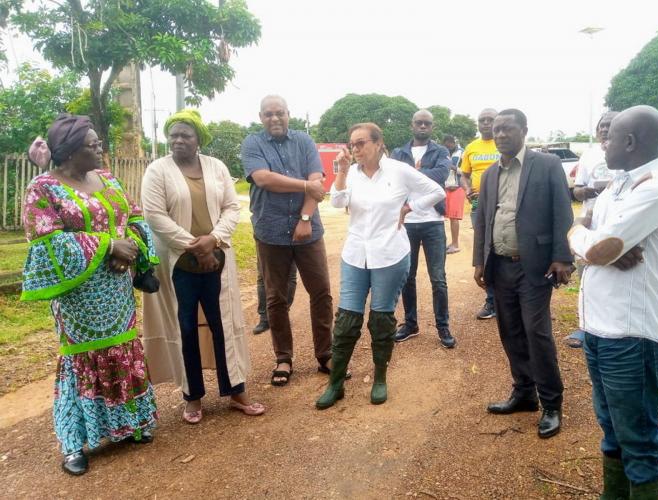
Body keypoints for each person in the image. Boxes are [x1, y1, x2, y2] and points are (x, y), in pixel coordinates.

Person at [22, 114, 158, 475]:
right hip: (77, 295)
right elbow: (46, 242)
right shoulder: (43, 188)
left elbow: (135, 216)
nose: (99, 147)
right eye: (92, 144)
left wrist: (131, 245)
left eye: (99, 142)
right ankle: (73, 443)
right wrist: (107, 246)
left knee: (123, 349)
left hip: (116, 289)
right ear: (68, 151)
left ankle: (131, 424)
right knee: (79, 359)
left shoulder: (109, 180)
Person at [568, 105, 658, 499]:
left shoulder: (655, 188)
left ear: (630, 142)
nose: (604, 141)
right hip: (599, 327)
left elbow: (597, 246)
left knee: (639, 438)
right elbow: (595, 241)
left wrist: (590, 241)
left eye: (610, 135)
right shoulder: (617, 185)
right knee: (611, 429)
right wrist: (592, 240)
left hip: (632, 335)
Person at [141, 109, 265, 424]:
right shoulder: (157, 170)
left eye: (186, 135)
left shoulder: (216, 167)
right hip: (178, 263)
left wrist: (214, 239)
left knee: (222, 322)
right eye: (174, 134)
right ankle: (192, 397)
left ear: (199, 139)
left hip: (217, 259)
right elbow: (154, 215)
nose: (178, 140)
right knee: (185, 328)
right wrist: (194, 245)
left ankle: (236, 390)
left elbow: (231, 206)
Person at [316, 123, 445, 409]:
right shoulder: (351, 174)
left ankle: (380, 378)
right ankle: (335, 384)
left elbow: (437, 191)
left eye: (361, 143)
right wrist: (341, 171)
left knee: (381, 319)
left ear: (378, 144)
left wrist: (409, 208)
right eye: (352, 144)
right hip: (356, 253)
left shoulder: (399, 171)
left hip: (390, 253)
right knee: (347, 320)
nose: (356, 149)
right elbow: (337, 203)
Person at [473, 108, 573, 439]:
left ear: (524, 130)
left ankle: (552, 403)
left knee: (537, 332)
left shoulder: (546, 165)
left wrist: (562, 256)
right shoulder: (489, 174)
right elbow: (483, 220)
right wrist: (479, 261)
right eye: (497, 130)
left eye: (508, 129)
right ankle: (524, 392)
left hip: (535, 265)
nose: (500, 134)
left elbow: (562, 210)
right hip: (500, 265)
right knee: (510, 330)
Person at [241, 95, 333, 386]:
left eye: (279, 113)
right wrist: (307, 185)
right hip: (270, 231)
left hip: (308, 232)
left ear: (288, 114)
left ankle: (326, 354)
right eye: (268, 114)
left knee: (321, 293)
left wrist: (305, 219)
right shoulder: (252, 144)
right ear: (260, 117)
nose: (274, 118)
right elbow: (264, 179)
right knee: (275, 298)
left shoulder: (304, 141)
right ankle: (283, 357)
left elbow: (317, 182)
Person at [390, 110, 455, 348]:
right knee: (408, 276)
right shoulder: (399, 153)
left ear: (432, 126)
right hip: (406, 223)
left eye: (427, 123)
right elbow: (392, 178)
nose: (423, 126)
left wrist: (409, 175)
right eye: (419, 122)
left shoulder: (441, 151)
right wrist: (416, 177)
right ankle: (410, 323)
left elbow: (440, 174)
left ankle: (443, 325)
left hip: (433, 222)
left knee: (438, 278)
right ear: (412, 125)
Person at [564, 111, 619, 349]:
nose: (605, 129)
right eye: (602, 126)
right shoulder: (589, 155)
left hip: (618, 224)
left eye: (610, 125)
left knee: (615, 274)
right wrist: (584, 192)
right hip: (590, 220)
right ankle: (586, 327)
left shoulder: (626, 153)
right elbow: (576, 190)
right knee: (586, 273)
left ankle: (613, 327)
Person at [461, 108, 501, 320]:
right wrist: (467, 189)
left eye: (490, 120)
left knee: (505, 249)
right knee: (485, 251)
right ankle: (491, 301)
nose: (485, 123)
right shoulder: (471, 147)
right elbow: (464, 175)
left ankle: (507, 299)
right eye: (482, 120)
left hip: (504, 205)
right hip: (479, 205)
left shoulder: (504, 143)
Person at [443, 134, 465, 254]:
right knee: (443, 216)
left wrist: (453, 168)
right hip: (445, 188)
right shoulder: (444, 153)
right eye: (446, 144)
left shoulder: (462, 153)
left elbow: (467, 170)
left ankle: (455, 244)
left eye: (449, 144)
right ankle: (449, 243)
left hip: (458, 188)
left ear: (454, 143)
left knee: (454, 217)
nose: (448, 146)